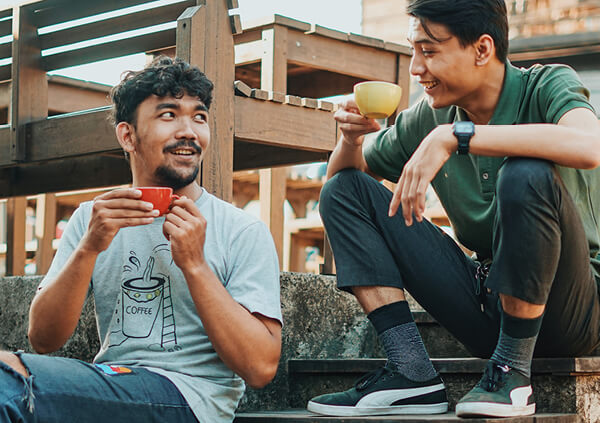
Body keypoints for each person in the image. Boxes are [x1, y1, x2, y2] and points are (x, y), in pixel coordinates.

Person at [307, 0, 600, 418]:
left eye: (429, 51)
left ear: (482, 49)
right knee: (342, 190)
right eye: (413, 50)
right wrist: (350, 141)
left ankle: (512, 371)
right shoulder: (430, 117)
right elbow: (343, 182)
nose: (415, 68)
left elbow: (589, 146)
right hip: (488, 303)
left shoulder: (547, 84)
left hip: (573, 309)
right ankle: (410, 372)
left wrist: (457, 136)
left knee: (526, 173)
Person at [0, 57, 282, 423]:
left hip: (190, 398)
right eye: (169, 115)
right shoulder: (93, 218)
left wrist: (195, 264)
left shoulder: (241, 229)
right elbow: (43, 338)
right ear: (127, 135)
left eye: (199, 117)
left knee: (7, 380)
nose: (189, 131)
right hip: (114, 384)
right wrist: (89, 248)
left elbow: (260, 367)